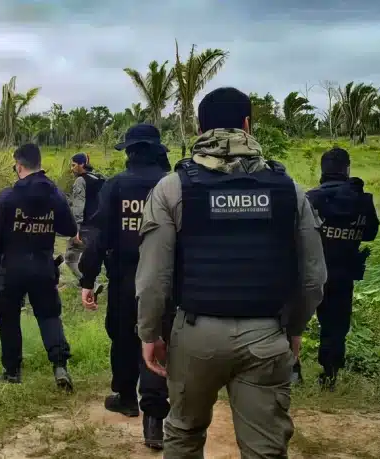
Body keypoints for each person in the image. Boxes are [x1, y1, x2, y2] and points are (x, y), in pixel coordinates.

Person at [136, 87, 328, 457]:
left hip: (195, 336)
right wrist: (294, 328)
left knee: (184, 434)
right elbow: (313, 277)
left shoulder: (173, 188)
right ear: (247, 125)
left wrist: (149, 332)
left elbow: (153, 278)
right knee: (265, 448)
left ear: (200, 128)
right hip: (266, 334)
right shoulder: (288, 190)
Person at [77, 123, 172, 450]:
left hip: (124, 277)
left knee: (123, 336)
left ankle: (127, 397)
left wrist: (87, 279)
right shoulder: (173, 184)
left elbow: (98, 237)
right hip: (166, 280)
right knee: (158, 338)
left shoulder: (116, 185)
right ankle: (156, 416)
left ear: (130, 152)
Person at [0, 143, 78, 391]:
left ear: (19, 166)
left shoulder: (7, 197)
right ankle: (60, 367)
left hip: (13, 267)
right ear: (39, 164)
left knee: (8, 317)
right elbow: (70, 229)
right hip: (43, 266)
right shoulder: (55, 195)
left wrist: (2, 255)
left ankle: (12, 372)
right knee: (49, 316)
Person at [298, 147, 379, 390]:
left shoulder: (311, 198)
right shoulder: (362, 200)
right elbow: (370, 233)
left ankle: (293, 371)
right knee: (335, 328)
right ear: (347, 169)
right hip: (343, 273)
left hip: (310, 272)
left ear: (323, 170)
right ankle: (329, 376)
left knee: (295, 321)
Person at [65, 153, 106, 297]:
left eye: (74, 165)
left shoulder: (80, 181)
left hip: (85, 226)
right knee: (93, 256)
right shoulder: (99, 179)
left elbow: (78, 206)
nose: (72, 168)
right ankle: (92, 282)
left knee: (70, 258)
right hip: (99, 226)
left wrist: (76, 229)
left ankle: (91, 284)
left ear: (82, 164)